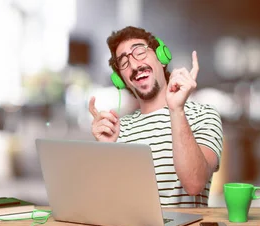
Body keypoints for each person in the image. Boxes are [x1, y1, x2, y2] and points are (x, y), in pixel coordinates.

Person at [88, 26, 223, 207]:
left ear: (161, 57)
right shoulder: (117, 129)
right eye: (124, 62)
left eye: (140, 52)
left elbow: (194, 184)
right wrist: (106, 150)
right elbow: (105, 204)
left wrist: (176, 110)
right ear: (120, 79)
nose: (135, 65)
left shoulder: (204, 115)